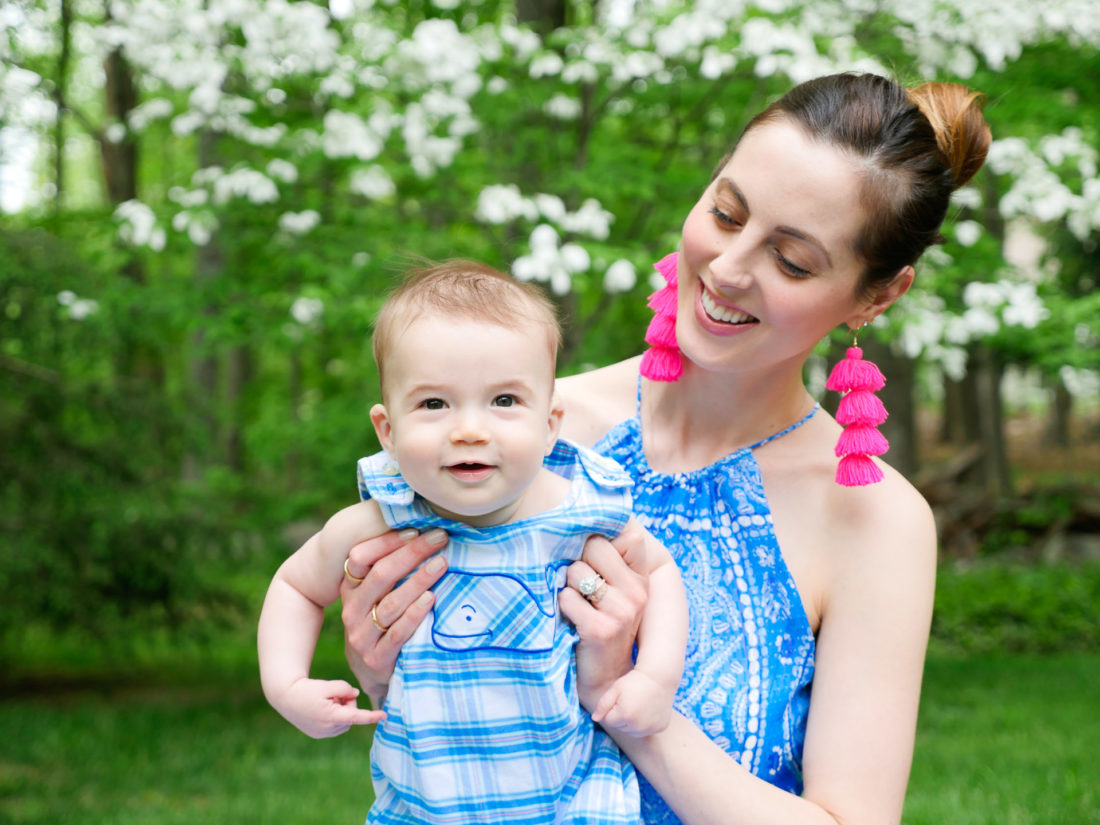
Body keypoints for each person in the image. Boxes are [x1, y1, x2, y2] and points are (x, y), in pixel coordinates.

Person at [339, 72, 993, 825]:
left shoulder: (874, 520)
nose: (726, 267)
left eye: (792, 260)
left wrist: (631, 705)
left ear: (878, 295)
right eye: (725, 212)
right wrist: (379, 663)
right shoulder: (515, 429)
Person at [257, 261, 688, 824]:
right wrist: (286, 684)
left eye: (504, 401)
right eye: (434, 404)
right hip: (422, 805)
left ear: (550, 422)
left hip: (575, 801)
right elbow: (296, 584)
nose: (469, 429)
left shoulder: (580, 509)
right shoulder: (379, 518)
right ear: (388, 430)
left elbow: (659, 572)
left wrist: (654, 677)